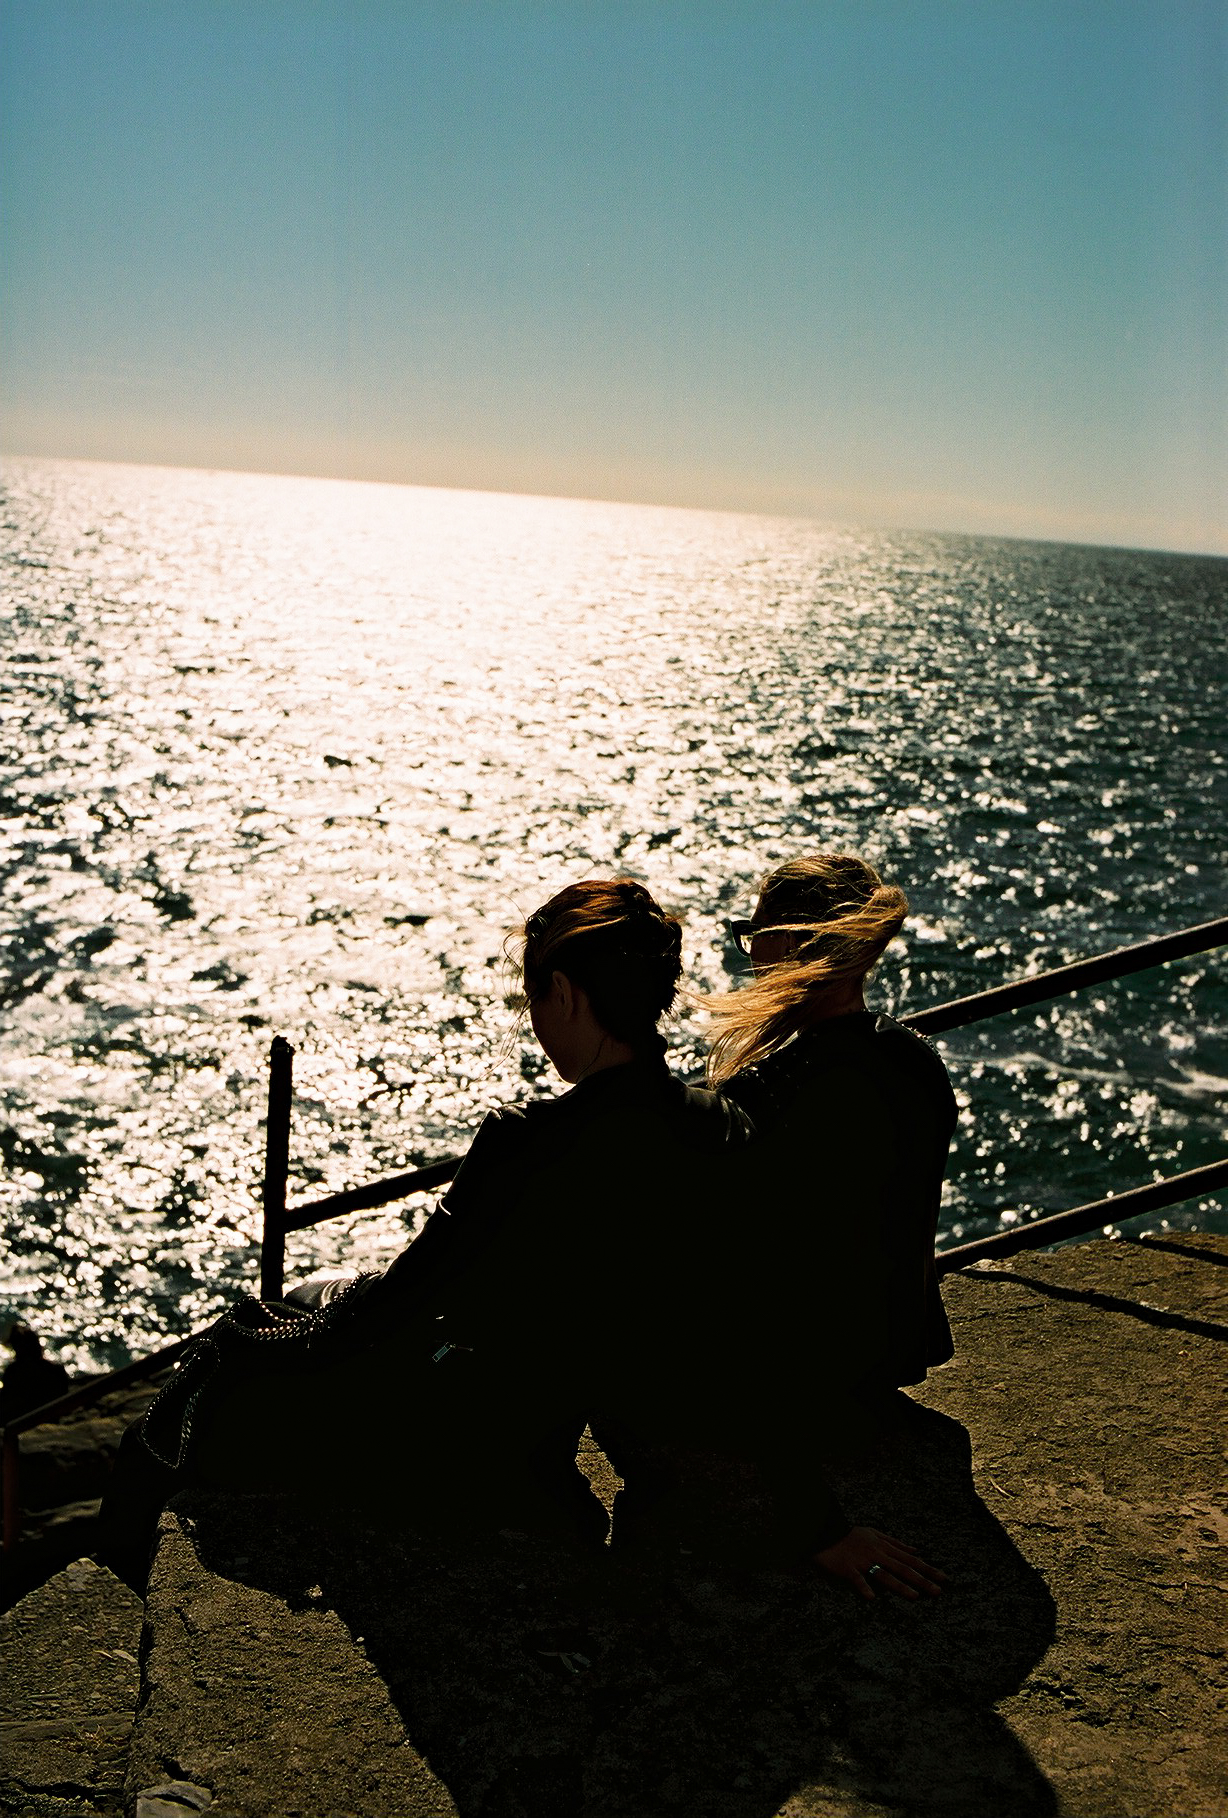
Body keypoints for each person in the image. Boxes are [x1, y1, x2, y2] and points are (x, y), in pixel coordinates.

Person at [101, 877, 751, 1575]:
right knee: (311, 1296)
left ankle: (120, 1623)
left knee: (162, 1429)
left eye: (534, 999)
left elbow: (396, 1307)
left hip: (462, 1427)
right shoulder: (724, 1129)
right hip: (556, 1418)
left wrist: (245, 1338)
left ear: (563, 993)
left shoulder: (528, 1142)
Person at [700, 850, 957, 1599]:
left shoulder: (766, 1095)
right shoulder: (914, 1063)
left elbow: (752, 1303)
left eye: (755, 936)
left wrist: (812, 1525)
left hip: (808, 1383)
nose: (750, 958)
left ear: (783, 946)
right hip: (883, 1357)